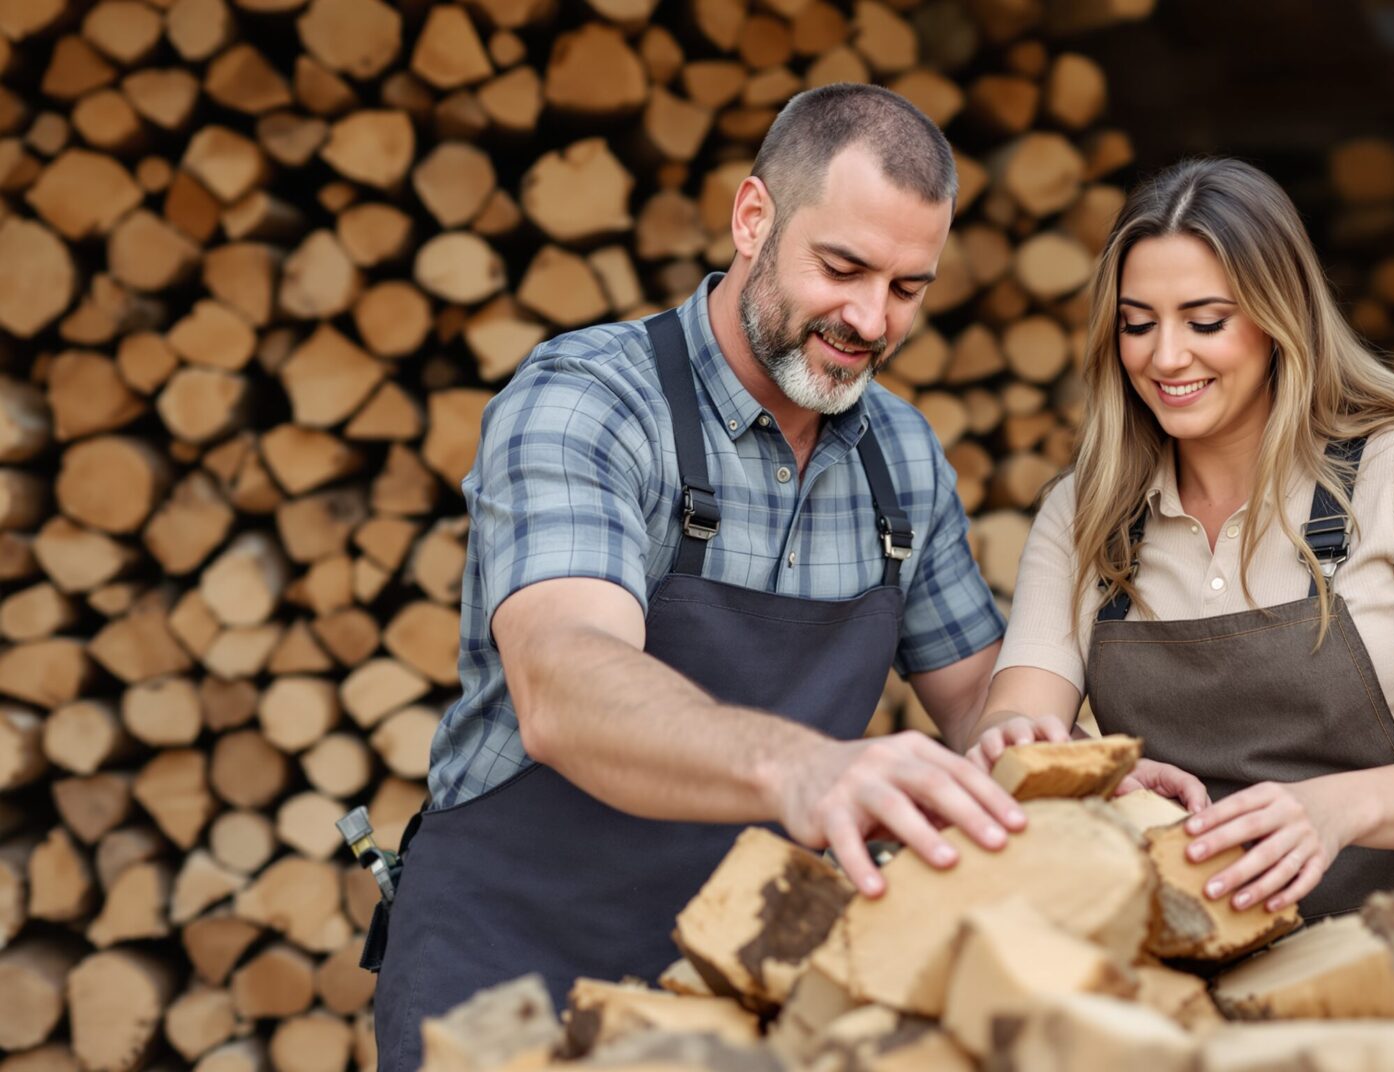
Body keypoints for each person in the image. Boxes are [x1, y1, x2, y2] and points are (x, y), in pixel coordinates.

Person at [370, 85, 1026, 1071]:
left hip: (744, 987)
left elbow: (978, 697)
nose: (870, 318)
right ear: (753, 218)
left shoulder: (902, 454)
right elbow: (563, 677)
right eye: (842, 268)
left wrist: (1063, 765)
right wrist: (800, 767)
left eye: (908, 287)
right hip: (510, 976)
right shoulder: (589, 398)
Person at [964, 158, 1394, 921]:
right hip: (1189, 946)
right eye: (1138, 324)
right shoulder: (1085, 510)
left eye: (1205, 322)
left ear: (1281, 319)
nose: (1165, 356)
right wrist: (1058, 758)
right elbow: (1012, 718)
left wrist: (1335, 811)